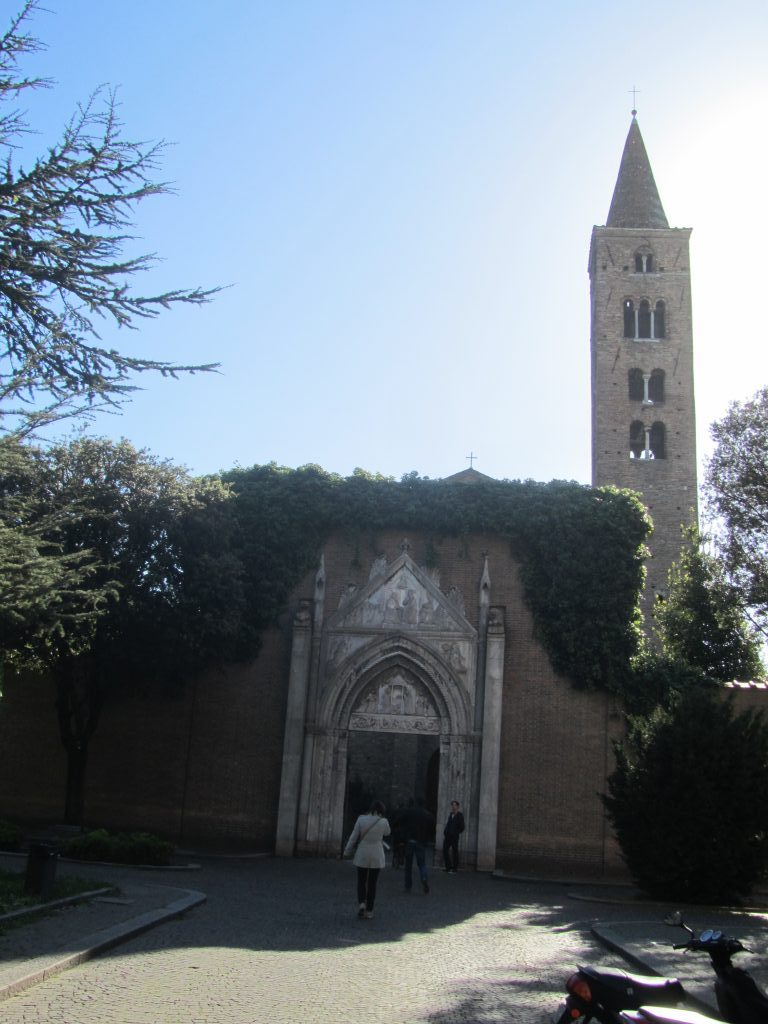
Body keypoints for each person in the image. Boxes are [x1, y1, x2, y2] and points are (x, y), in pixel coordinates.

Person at [343, 799, 391, 919]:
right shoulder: (383, 821)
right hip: (376, 854)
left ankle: (361, 904)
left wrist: (347, 850)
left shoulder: (361, 819)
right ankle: (369, 910)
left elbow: (354, 837)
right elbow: (387, 833)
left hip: (362, 853)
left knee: (361, 880)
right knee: (372, 883)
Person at [393, 798, 435, 894]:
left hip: (409, 841)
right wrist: (428, 839)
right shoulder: (427, 814)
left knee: (408, 865)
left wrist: (399, 834)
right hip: (421, 842)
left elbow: (398, 821)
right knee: (422, 864)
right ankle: (424, 878)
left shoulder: (409, 812)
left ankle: (408, 886)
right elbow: (432, 829)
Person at [443, 799, 465, 873]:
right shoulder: (450, 815)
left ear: (458, 806)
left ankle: (455, 868)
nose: (453, 806)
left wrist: (456, 832)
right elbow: (448, 824)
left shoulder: (460, 815)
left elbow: (462, 827)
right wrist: (445, 831)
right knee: (445, 850)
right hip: (448, 836)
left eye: (455, 805)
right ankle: (448, 867)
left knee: (455, 852)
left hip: (454, 837)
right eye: (452, 805)